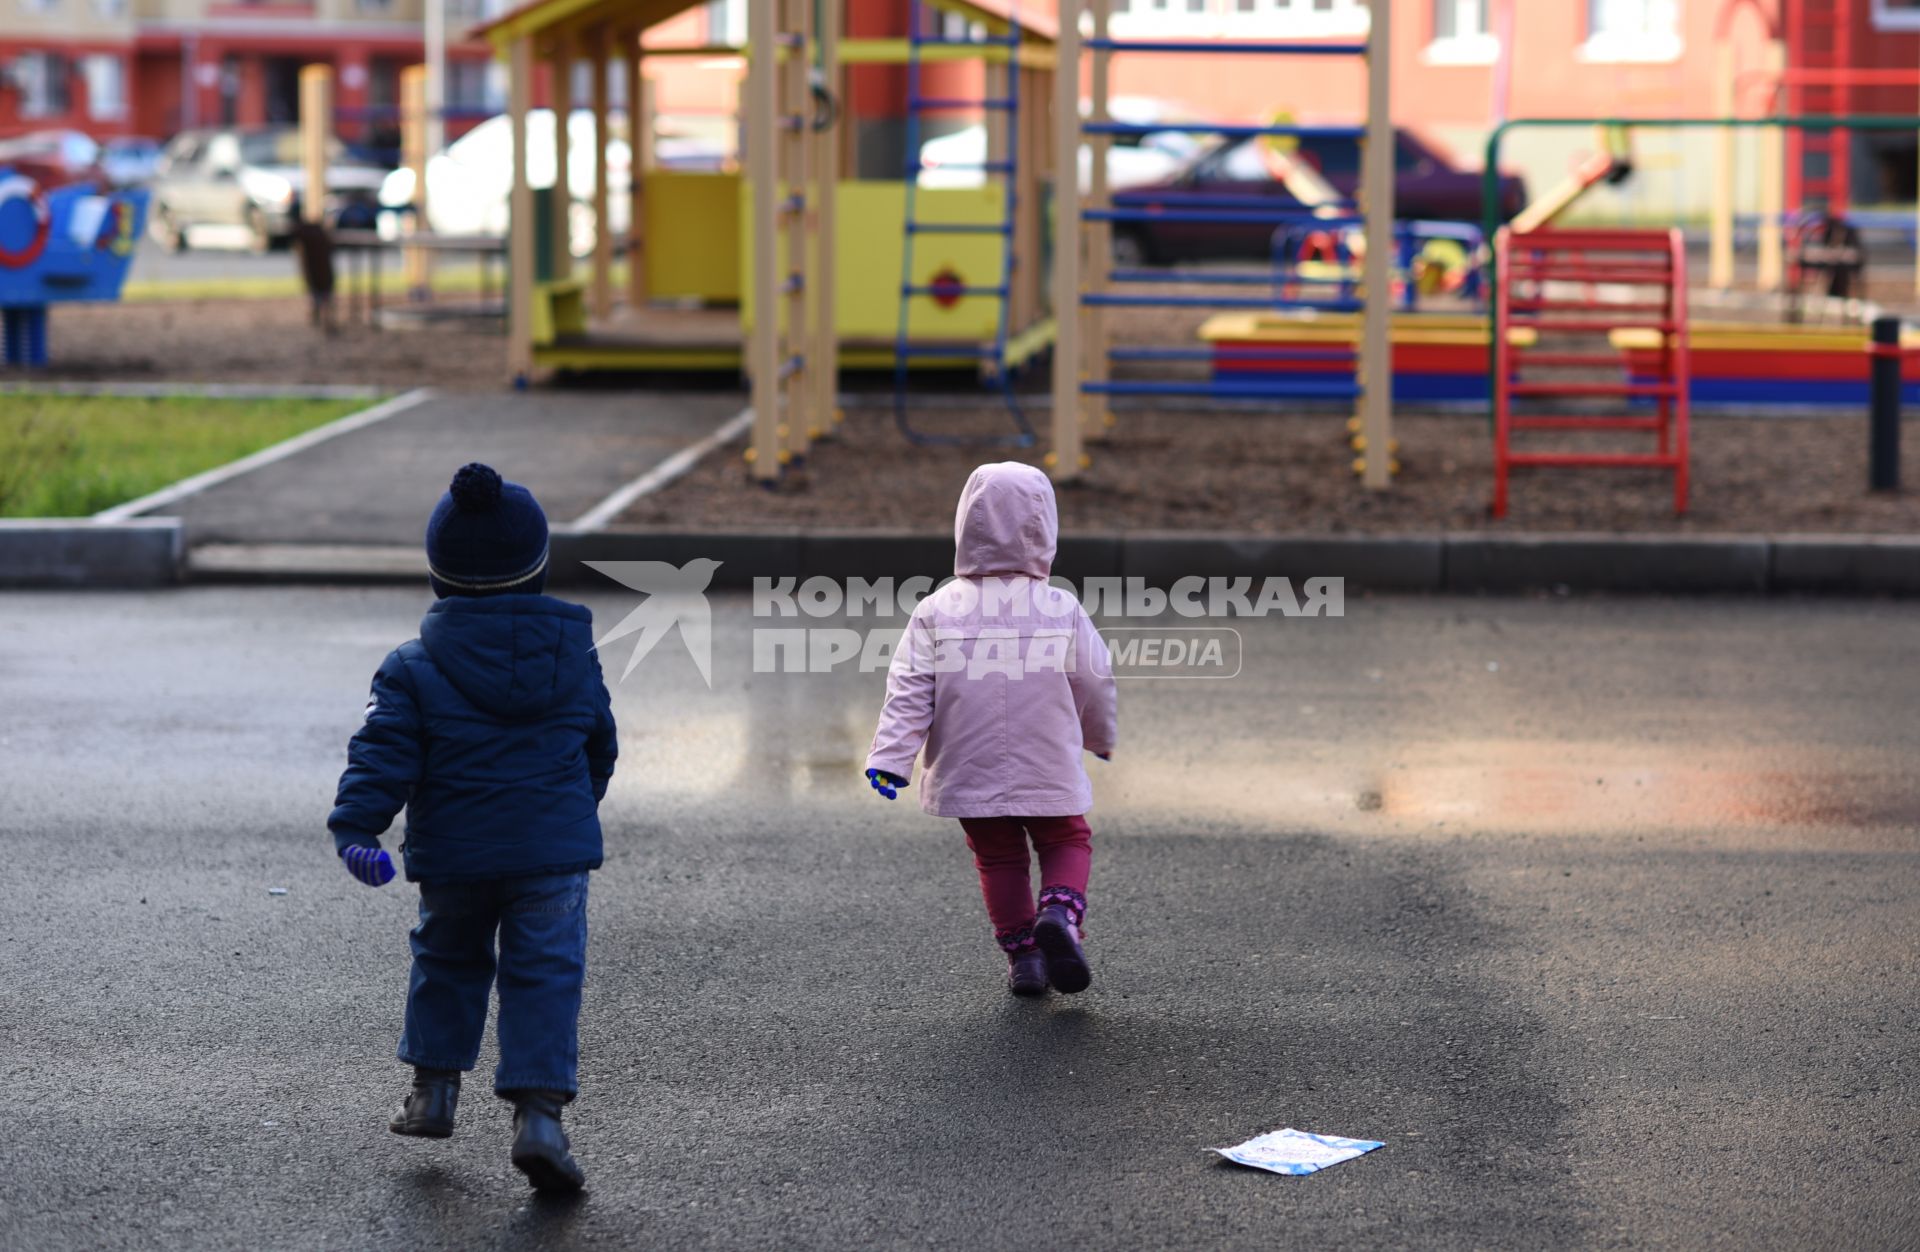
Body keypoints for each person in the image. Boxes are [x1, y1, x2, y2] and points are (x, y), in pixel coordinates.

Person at [328, 462, 617, 1193]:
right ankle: (540, 1121)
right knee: (545, 977)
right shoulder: (574, 655)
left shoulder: (412, 667)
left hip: (455, 856)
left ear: (439, 577)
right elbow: (599, 746)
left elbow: (382, 753)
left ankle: (432, 1093)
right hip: (551, 857)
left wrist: (358, 828)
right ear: (539, 570)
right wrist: (572, 810)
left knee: (448, 960)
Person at [865, 462, 1117, 996]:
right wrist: (1099, 736)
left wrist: (890, 758)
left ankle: (1024, 957)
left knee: (998, 856)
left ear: (966, 525)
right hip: (1044, 758)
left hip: (968, 764)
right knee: (1067, 837)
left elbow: (909, 688)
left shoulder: (936, 610)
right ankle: (1060, 913)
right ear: (1043, 527)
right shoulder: (1060, 607)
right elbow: (1094, 679)